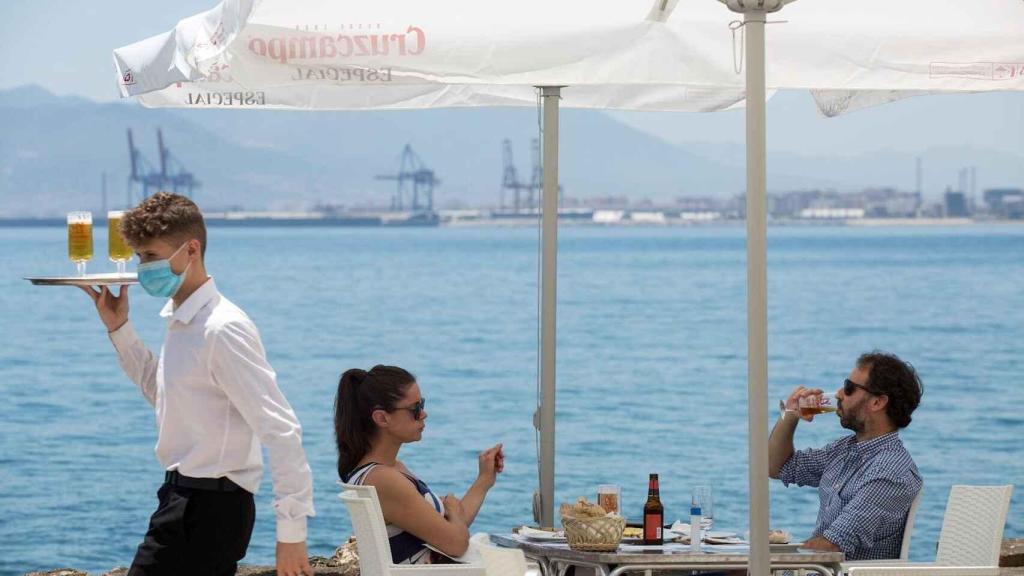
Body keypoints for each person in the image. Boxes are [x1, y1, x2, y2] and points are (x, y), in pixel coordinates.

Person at [79, 192, 315, 576]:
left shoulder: (222, 328)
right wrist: (119, 327)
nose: (143, 268)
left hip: (210, 507)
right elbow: (163, 395)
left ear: (191, 249)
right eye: (139, 257)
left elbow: (280, 428)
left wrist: (291, 532)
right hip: (183, 499)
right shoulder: (183, 321)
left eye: (151, 255)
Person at [335, 365, 505, 564]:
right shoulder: (383, 479)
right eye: (415, 409)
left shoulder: (389, 470)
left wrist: (484, 480)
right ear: (382, 418)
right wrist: (452, 510)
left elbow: (447, 531)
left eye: (422, 404)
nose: (424, 414)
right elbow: (456, 543)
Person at [769, 351, 924, 560]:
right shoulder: (845, 449)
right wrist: (790, 414)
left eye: (849, 388)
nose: (839, 394)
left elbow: (831, 545)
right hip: (816, 569)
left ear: (877, 402)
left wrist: (774, 563)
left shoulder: (890, 472)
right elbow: (776, 467)